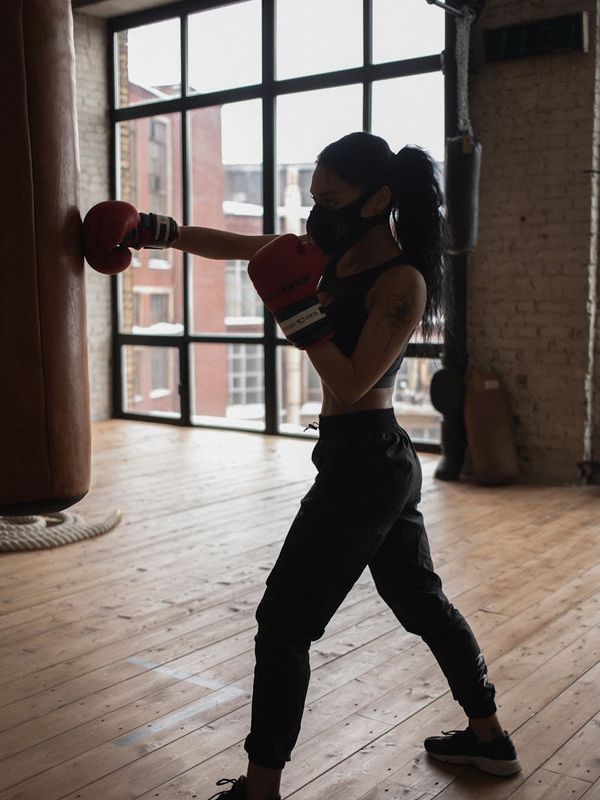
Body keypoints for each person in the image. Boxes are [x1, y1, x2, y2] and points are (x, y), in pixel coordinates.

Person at [83, 132, 521, 799]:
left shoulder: (400, 281)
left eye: (333, 197)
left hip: (367, 464)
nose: (319, 210)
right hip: (364, 460)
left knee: (284, 625)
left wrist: (296, 309)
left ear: (378, 198)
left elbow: (350, 383)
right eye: (313, 197)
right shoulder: (331, 256)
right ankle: (490, 741)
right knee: (421, 602)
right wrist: (154, 231)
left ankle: (259, 790)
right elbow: (241, 246)